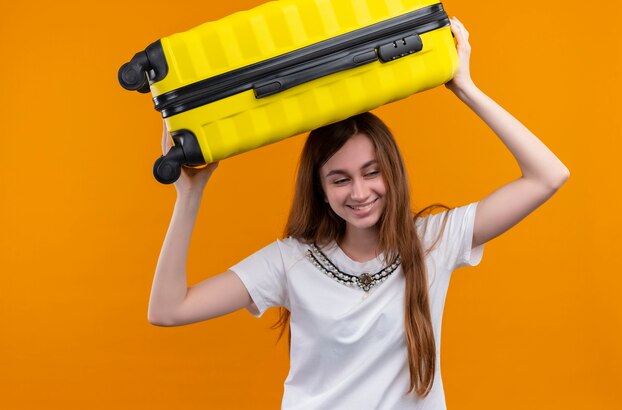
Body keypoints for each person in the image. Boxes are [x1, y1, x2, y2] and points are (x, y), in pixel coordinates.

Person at [148, 17, 569, 409]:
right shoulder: (290, 260)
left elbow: (547, 176)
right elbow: (168, 310)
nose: (360, 192)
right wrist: (189, 196)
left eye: (372, 173)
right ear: (321, 190)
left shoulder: (433, 240)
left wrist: (465, 87)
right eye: (340, 179)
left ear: (392, 173)